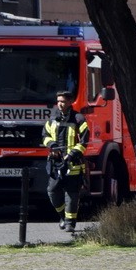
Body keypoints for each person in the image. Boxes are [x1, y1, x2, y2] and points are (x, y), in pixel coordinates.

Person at [41, 91, 88, 233]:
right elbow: (44, 136)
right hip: (56, 163)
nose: (60, 104)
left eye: (62, 101)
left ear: (70, 102)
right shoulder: (52, 118)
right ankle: (63, 216)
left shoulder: (79, 119)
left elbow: (84, 142)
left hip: (73, 163)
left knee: (72, 194)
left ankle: (70, 223)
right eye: (58, 101)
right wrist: (52, 146)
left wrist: (72, 154)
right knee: (52, 191)